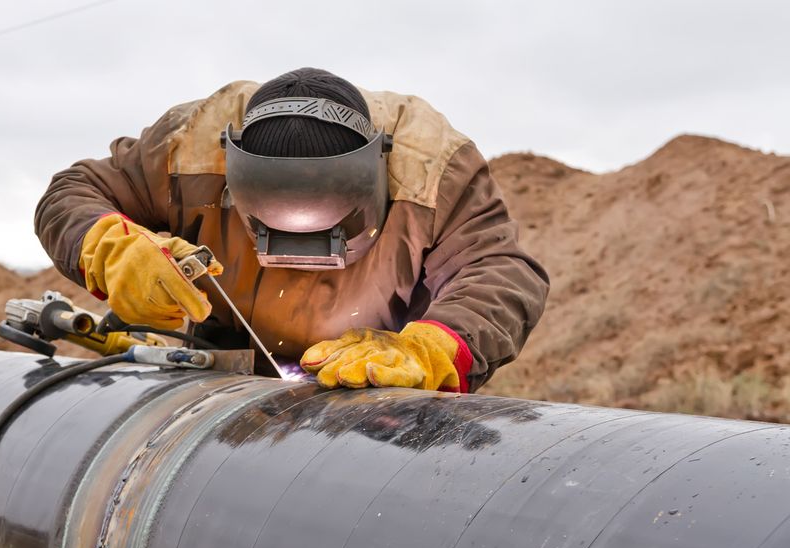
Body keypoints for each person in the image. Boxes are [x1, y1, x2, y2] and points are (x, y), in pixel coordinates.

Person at [34, 68, 548, 393]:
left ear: (378, 168)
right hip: (220, 378)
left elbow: (500, 270)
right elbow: (73, 192)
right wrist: (110, 246)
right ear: (232, 171)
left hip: (374, 394)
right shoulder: (188, 148)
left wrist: (433, 347)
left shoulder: (432, 171)